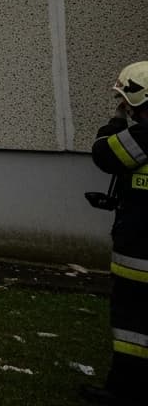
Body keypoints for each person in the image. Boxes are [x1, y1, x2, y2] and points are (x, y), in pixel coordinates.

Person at [82, 61, 148, 406]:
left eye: (126, 100)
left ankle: (124, 389)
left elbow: (104, 153)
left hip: (140, 254)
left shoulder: (143, 137)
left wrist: (117, 119)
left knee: (132, 326)